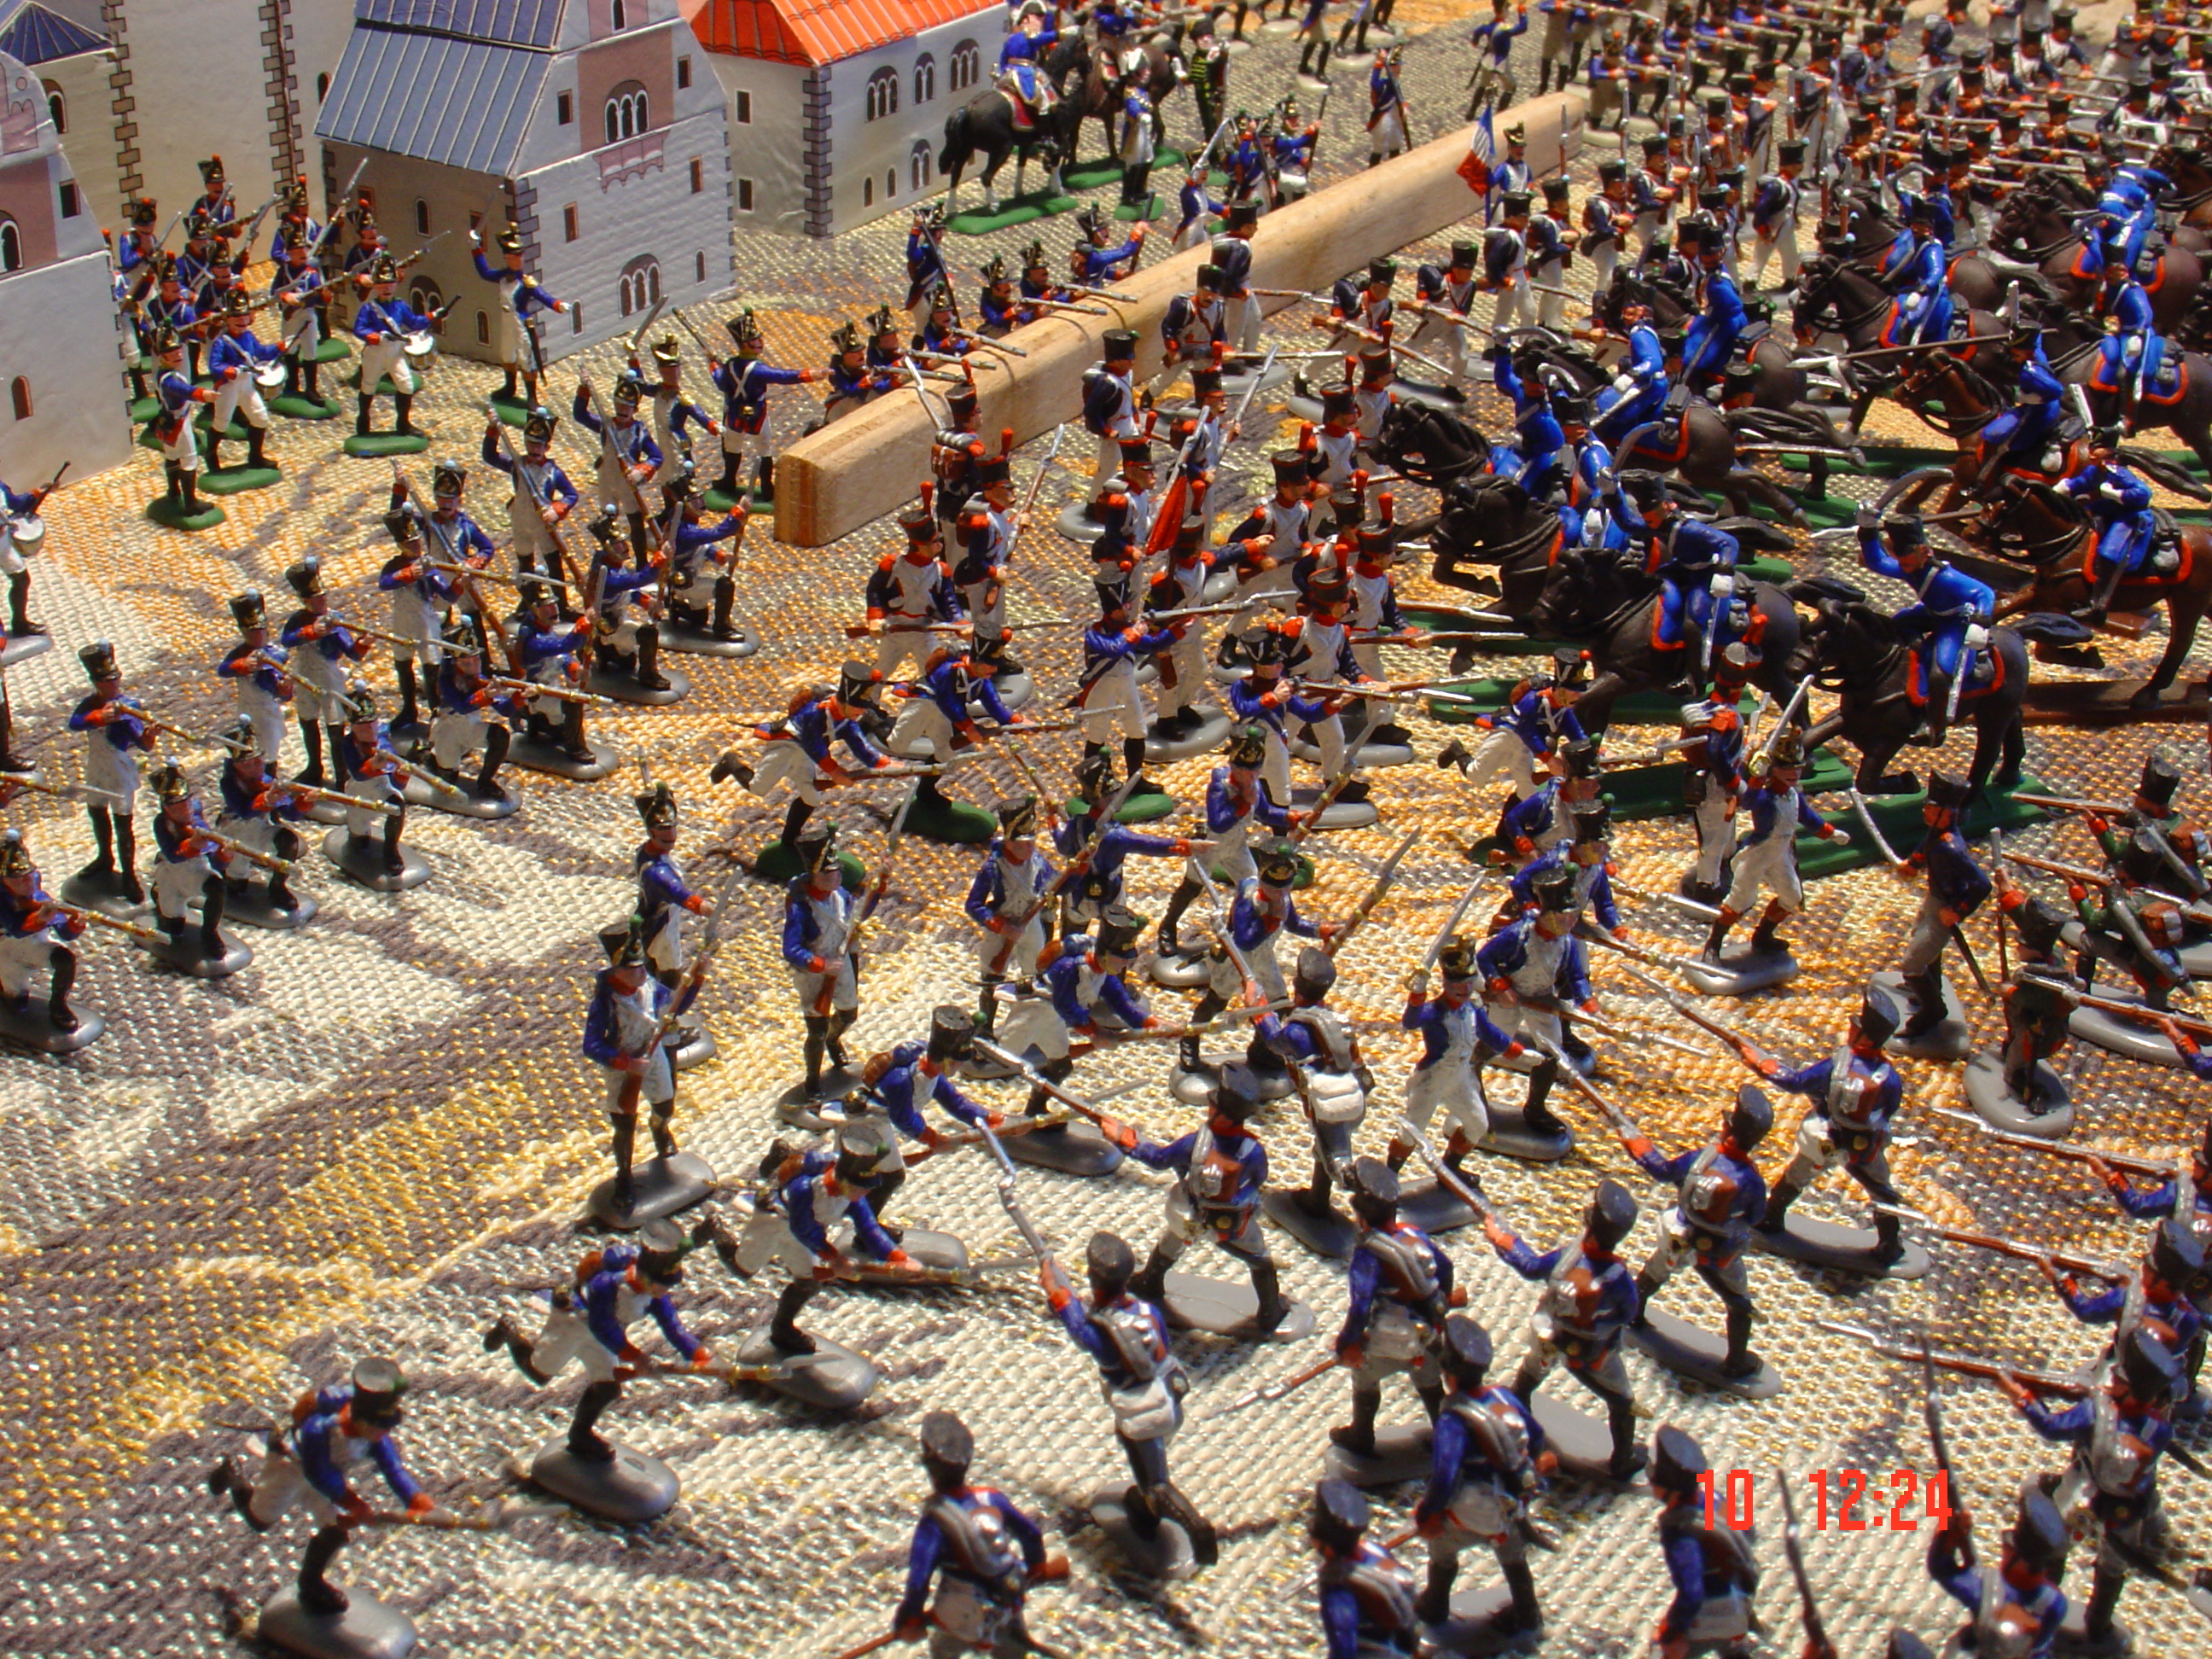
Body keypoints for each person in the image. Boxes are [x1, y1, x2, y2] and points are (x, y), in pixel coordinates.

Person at [1042, 1231, 1216, 1564]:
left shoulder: (1107, 1336)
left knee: (1155, 1482)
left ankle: (1197, 1529)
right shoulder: (1145, 1310)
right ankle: (1144, 1512)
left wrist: (1057, 1293)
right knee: (1144, 1462)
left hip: (1143, 1408)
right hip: (1168, 1391)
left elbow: (1082, 1330)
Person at [2001, 1328, 2180, 1649]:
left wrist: (2025, 1400)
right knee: (2112, 1569)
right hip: (2127, 1509)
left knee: (2051, 1544)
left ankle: (2040, 1611)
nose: (2113, 1381)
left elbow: (2052, 1428)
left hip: (2084, 1494)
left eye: (2120, 1380)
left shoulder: (2097, 1413)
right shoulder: (2160, 1428)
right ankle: (2097, 1627)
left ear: (2134, 1390)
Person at [483, 1220, 713, 1459]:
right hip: (574, 1323)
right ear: (645, 1277)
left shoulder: (655, 1297)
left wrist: (698, 1355)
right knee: (539, 1373)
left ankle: (580, 1434)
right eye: (661, 1285)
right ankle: (509, 1333)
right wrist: (636, 1357)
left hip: (603, 1339)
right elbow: (602, 1326)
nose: (664, 1291)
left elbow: (673, 1327)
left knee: (607, 1387)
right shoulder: (607, 1285)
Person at [1484, 1181, 1644, 1476]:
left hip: (1556, 1335)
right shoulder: (1617, 1278)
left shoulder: (1570, 1260)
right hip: (1584, 1346)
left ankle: (1519, 1418)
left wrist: (1504, 1241)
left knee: (1530, 1376)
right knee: (1623, 1402)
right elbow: (1629, 1312)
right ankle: (1623, 1459)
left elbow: (1531, 1266)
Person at [1126, 1063, 1293, 1334]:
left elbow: (1159, 1159)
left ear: (1224, 1116)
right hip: (1228, 1219)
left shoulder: (1194, 1143)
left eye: (1214, 1105)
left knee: (1175, 1242)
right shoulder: (1253, 1151)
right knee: (1259, 1260)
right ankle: (1270, 1311)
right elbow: (1259, 1179)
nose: (1209, 1107)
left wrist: (1128, 1143)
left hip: (1198, 1214)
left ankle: (1149, 1282)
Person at [1751, 986, 1911, 1264]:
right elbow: (1889, 1110)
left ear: (1865, 1038)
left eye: (1856, 1027)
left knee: (1798, 1177)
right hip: (1857, 1142)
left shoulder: (1838, 1066)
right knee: (1880, 1190)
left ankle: (1771, 1218)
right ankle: (1889, 1244)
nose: (1850, 1029)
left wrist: (1767, 1068)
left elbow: (1797, 1083)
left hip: (1834, 1137)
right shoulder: (1889, 1077)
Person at [1411, 1314, 1547, 1633]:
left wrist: (1430, 1511)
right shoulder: (1504, 1397)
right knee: (1513, 1557)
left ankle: (1434, 1605)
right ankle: (1528, 1613)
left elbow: (1445, 1474)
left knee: (1442, 1548)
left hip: (1470, 1505)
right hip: (1511, 1500)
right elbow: (1537, 1435)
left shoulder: (1452, 1420)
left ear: (1447, 1373)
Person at [1624, 1086, 1772, 1379]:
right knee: (1738, 1303)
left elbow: (1663, 1171)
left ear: (1729, 1131)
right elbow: (1756, 1217)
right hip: (1721, 1251)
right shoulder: (1752, 1180)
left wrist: (1639, 1148)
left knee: (1654, 1273)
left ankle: (1633, 1315)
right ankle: (1737, 1361)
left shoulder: (1702, 1159)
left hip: (1682, 1235)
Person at [893, 1413, 1056, 1657]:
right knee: (1011, 1645)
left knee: (944, 1649)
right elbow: (1030, 1534)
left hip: (961, 1610)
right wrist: (1036, 1567)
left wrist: (912, 1616)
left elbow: (919, 1579)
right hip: (1007, 1594)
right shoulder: (992, 1498)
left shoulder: (934, 1522)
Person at [1330, 1159, 1453, 1453]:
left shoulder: (1368, 1255)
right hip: (1427, 1329)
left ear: (1361, 1216)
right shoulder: (1415, 1236)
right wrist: (1440, 1309)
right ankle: (1445, 1434)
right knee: (1429, 1379)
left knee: (1364, 1378)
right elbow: (1446, 1268)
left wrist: (1348, 1342)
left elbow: (1361, 1305)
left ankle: (1361, 1435)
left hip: (1388, 1335)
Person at [1701, 727, 1848, 963]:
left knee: (1791, 897)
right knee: (1739, 901)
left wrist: (1831, 833)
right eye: (1787, 768)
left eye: (1797, 768)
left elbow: (1807, 817)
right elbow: (1749, 801)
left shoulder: (1793, 796)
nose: (1794, 774)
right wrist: (1756, 778)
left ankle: (1763, 936)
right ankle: (1713, 945)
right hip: (1758, 853)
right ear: (1774, 769)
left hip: (1781, 854)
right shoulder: (1765, 796)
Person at [1854, 508, 1995, 744]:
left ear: (1923, 552)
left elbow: (1985, 593)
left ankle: (1934, 726)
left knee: (1940, 674)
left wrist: (1980, 621)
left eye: (1907, 560)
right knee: (1888, 628)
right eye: (1901, 561)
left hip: (1955, 623)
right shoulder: (1911, 568)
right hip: (1930, 614)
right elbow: (1878, 562)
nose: (1902, 565)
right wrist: (1867, 531)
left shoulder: (1945, 578)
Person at [1647, 1426, 1760, 1657]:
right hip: (1741, 1598)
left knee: (1668, 1651)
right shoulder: (1714, 1499)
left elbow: (1692, 1593)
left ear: (1671, 1491)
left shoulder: (1681, 1532)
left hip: (1712, 1612)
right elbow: (1748, 1531)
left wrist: (1673, 1629)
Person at [1926, 1487, 2071, 1659]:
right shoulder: (2056, 1603)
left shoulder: (1983, 1588)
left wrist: (1947, 1534)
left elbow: (1941, 1569)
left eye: (2008, 1548)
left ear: (2019, 1561)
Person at [2057, 426, 2157, 623]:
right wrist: (2062, 488)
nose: (2092, 451)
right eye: (2093, 446)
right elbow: (2083, 482)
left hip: (2130, 514)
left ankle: (2099, 605)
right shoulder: (2096, 470)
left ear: (2109, 452)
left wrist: (2115, 494)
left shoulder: (2118, 472)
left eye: (2098, 447)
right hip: (2110, 508)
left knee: (2108, 554)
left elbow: (2143, 494)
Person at [1312, 1479, 1422, 1659]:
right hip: (1405, 1640)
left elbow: (1343, 1644)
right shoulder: (1376, 1551)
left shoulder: (1338, 1587)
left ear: (1327, 1547)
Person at [470, 224, 568, 406]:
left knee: (526, 357)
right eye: (514, 257)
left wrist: (558, 305)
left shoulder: (526, 282)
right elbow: (484, 273)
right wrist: (476, 248)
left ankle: (532, 397)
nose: (519, 260)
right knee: (507, 354)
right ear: (507, 258)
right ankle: (510, 386)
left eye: (520, 256)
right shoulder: (502, 276)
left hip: (520, 322)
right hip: (506, 319)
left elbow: (542, 295)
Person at [0, 830, 86, 1035]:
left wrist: (75, 924)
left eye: (29, 875)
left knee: (65, 960)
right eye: (18, 878)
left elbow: (65, 933)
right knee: (16, 999)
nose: (27, 882)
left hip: (35, 944)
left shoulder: (39, 898)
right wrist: (39, 919)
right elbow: (15, 929)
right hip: (6, 950)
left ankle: (58, 1005)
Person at [352, 253, 438, 439]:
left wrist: (432, 316)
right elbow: (359, 328)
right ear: (375, 285)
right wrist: (370, 335)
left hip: (395, 351)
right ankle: (363, 420)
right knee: (368, 386)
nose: (387, 288)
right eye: (383, 284)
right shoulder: (370, 308)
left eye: (391, 283)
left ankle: (403, 424)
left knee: (406, 384)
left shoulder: (399, 305)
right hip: (375, 352)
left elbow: (414, 322)